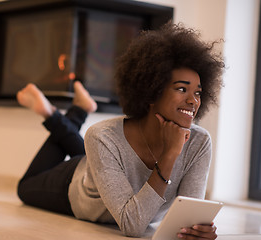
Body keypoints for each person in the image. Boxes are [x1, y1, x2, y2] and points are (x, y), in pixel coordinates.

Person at [17, 22, 225, 239]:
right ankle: (58, 114)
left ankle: (79, 109)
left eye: (198, 93)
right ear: (152, 91)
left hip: (101, 159)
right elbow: (132, 225)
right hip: (74, 186)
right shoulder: (102, 136)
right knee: (24, 188)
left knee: (96, 148)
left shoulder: (199, 142)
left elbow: (186, 221)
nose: (193, 100)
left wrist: (197, 231)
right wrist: (170, 154)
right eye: (182, 89)